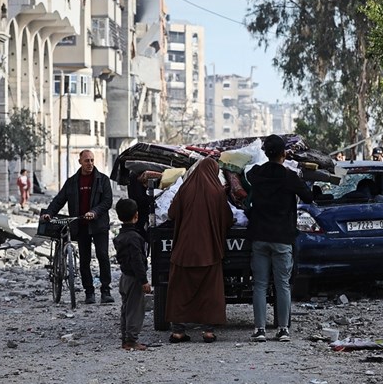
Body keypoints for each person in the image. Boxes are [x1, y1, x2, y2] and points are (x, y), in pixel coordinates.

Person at [247, 134, 314, 342]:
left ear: (266, 153)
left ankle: (259, 330)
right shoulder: (289, 177)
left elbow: (248, 174)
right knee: (282, 284)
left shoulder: (256, 173)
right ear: (284, 153)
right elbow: (309, 197)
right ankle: (283, 329)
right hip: (282, 237)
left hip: (259, 236)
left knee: (259, 284)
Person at [165, 157, 234, 343]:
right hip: (209, 250)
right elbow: (228, 219)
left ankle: (178, 331)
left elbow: (171, 214)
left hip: (184, 250)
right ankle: (208, 331)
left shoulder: (185, 188)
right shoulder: (217, 192)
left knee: (180, 289)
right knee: (210, 291)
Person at [41, 150, 114, 304]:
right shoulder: (72, 182)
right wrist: (49, 213)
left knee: (102, 256)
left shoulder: (103, 180)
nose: (90, 164)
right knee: (84, 260)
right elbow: (59, 200)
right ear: (80, 161)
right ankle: (89, 292)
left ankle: (106, 291)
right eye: (87, 160)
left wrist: (94, 212)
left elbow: (107, 202)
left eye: (92, 160)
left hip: (99, 226)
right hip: (80, 226)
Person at [113, 198, 152, 351]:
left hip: (125, 277)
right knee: (135, 310)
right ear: (136, 216)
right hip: (134, 279)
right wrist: (144, 281)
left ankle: (125, 339)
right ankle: (131, 340)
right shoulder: (135, 238)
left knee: (126, 309)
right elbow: (137, 261)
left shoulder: (121, 236)